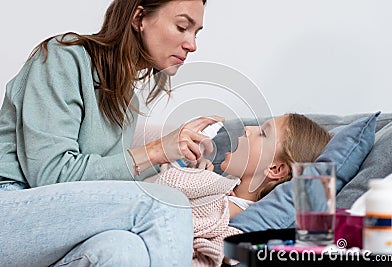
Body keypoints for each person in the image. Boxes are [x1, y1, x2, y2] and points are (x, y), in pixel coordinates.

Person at [0, 0, 219, 266]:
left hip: (55, 227)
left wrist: (180, 163)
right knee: (167, 204)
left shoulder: (127, 102)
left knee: (123, 249)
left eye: (196, 33)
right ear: (139, 18)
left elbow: (100, 181)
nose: (191, 45)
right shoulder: (64, 57)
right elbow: (51, 176)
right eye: (182, 27)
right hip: (11, 206)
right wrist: (157, 151)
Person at [150, 113, 332, 265]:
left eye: (263, 133)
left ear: (275, 169)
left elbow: (166, 195)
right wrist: (195, 170)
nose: (248, 128)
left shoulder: (235, 209)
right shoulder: (224, 187)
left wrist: (202, 180)